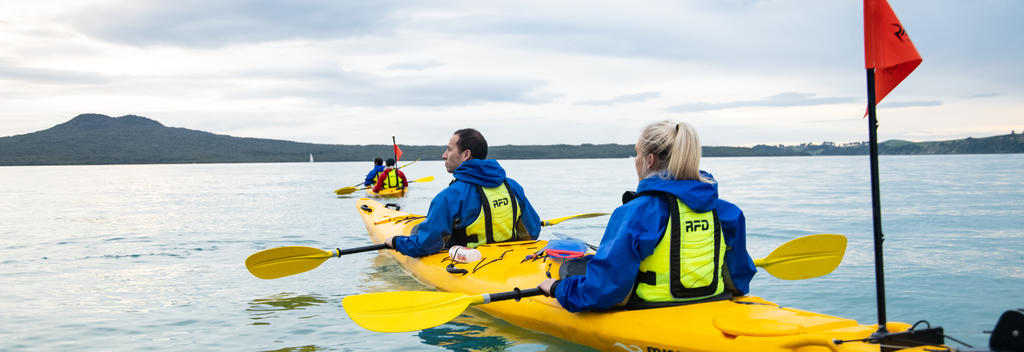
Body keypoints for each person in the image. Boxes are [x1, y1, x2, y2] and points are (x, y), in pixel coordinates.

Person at [537, 120, 756, 312]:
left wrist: (557, 288)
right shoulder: (727, 212)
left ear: (649, 160)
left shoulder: (636, 212)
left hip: (651, 309)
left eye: (637, 153)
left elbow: (603, 291)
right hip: (712, 306)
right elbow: (739, 280)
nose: (636, 159)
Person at [384, 128, 542, 257]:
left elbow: (426, 245)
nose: (444, 155)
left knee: (417, 231)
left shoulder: (450, 196)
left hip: (471, 263)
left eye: (449, 149)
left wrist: (396, 242)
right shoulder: (513, 186)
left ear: (466, 154)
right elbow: (532, 231)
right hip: (508, 259)